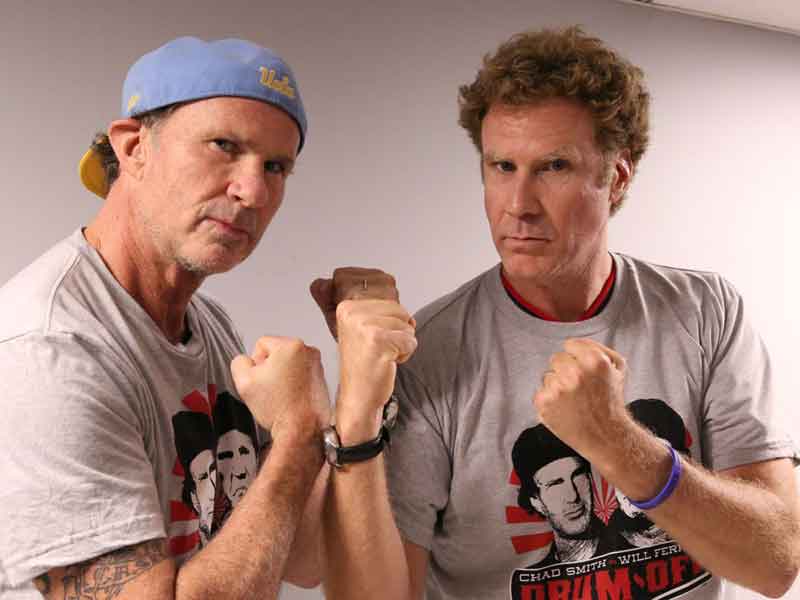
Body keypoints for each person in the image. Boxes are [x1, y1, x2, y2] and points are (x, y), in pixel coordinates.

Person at [321, 26, 800, 600]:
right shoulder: (432, 352)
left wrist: (619, 444)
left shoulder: (705, 313)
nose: (518, 205)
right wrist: (356, 409)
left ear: (616, 178)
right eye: (502, 166)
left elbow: (777, 563)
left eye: (553, 167)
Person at [0, 37, 331, 599]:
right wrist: (298, 435)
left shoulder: (208, 325)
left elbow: (301, 558)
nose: (253, 191)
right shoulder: (52, 350)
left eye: (275, 166)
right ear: (134, 148)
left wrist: (363, 399)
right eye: (224, 145)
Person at [512, 424, 612, 567]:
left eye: (577, 475)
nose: (573, 496)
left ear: (590, 478)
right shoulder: (535, 574)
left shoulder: (631, 549)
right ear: (536, 501)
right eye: (555, 484)